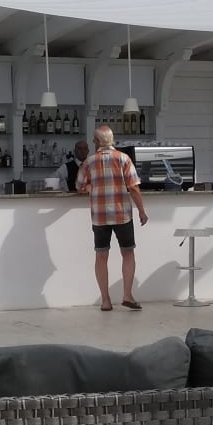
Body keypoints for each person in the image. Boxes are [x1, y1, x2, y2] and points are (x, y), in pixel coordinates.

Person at [76, 125, 148, 310]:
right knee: (128, 253)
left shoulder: (89, 162)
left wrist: (89, 187)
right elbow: (133, 187)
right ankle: (127, 295)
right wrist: (141, 210)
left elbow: (79, 185)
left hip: (99, 216)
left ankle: (106, 301)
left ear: (97, 142)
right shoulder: (124, 158)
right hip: (122, 214)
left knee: (101, 255)